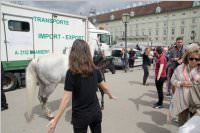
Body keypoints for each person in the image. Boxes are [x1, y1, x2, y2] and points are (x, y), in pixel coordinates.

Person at [47, 39, 117, 133]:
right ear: (87, 52)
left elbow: (66, 99)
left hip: (80, 117)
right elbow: (104, 87)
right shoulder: (95, 69)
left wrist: (55, 121)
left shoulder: (71, 73)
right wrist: (110, 95)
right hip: (96, 112)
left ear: (73, 54)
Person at [169, 48, 200, 126]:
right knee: (182, 123)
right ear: (187, 58)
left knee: (194, 125)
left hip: (196, 102)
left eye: (197, 59)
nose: (194, 61)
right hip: (182, 100)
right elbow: (172, 80)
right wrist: (181, 83)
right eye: (191, 58)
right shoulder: (180, 68)